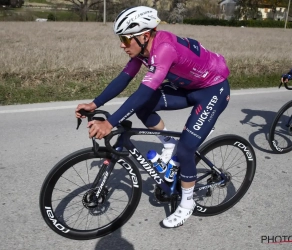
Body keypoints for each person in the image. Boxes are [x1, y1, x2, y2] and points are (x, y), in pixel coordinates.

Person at [75, 6, 231, 228]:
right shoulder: (144, 49)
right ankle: (169, 145)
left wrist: (110, 123)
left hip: (213, 91)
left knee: (186, 149)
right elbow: (125, 78)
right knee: (143, 106)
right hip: (187, 87)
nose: (122, 44)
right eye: (121, 38)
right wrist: (94, 103)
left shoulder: (164, 49)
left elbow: (145, 90)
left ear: (144, 36)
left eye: (125, 39)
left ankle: (187, 205)